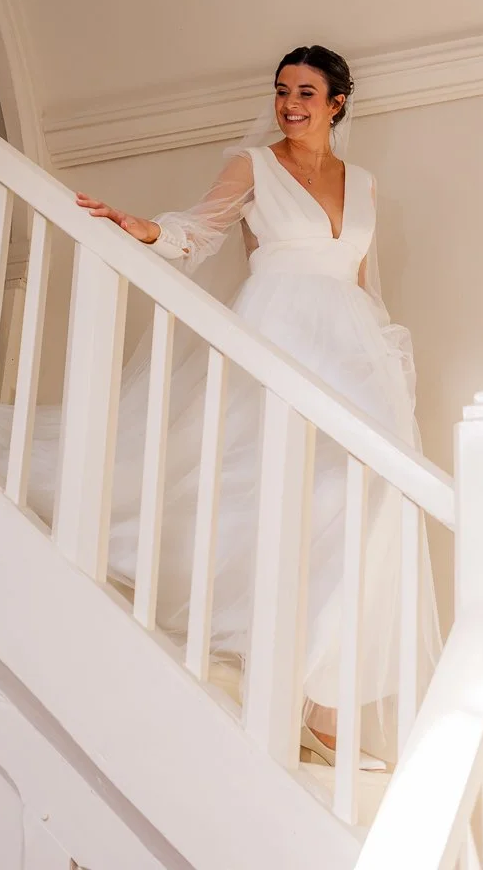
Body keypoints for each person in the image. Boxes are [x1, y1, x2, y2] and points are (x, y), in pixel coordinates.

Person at [73, 45, 438, 768]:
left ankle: (326, 697)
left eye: (306, 91)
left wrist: (386, 357)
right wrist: (147, 228)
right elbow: (200, 229)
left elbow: (361, 278)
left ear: (338, 101)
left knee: (382, 499)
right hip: (279, 331)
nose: (289, 103)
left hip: (353, 346)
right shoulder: (255, 165)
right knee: (261, 487)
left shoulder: (363, 183)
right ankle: (273, 672)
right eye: (281, 91)